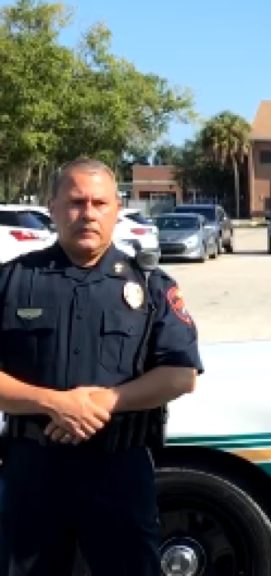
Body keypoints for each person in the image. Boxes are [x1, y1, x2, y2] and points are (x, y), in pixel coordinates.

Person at [0, 158, 202, 575]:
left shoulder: (150, 285)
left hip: (119, 472)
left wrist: (106, 401)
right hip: (32, 475)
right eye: (76, 202)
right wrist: (52, 403)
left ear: (117, 209)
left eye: (99, 203)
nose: (88, 213)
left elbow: (181, 375)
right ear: (53, 207)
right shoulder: (12, 281)